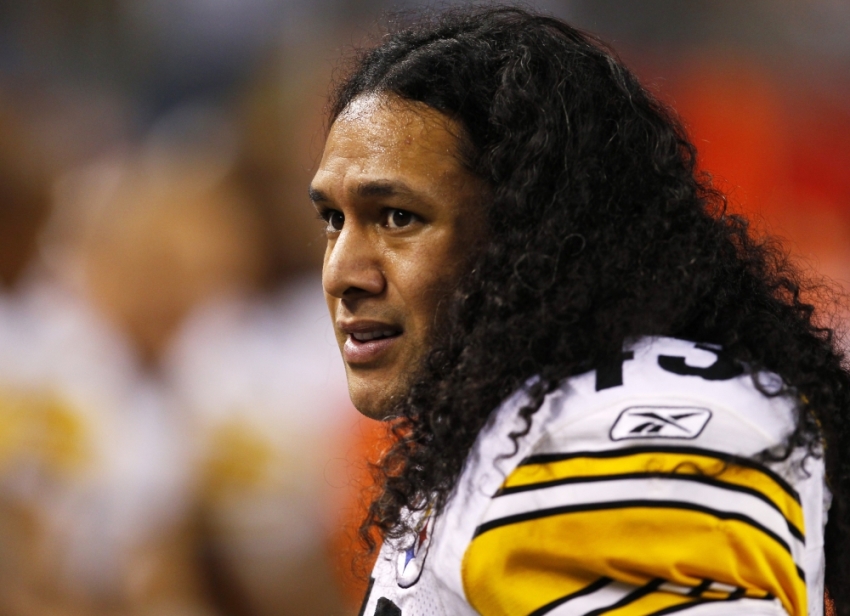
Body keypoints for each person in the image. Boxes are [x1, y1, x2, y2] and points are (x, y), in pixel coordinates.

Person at [309, 7, 849, 616]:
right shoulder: (511, 416)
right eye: (334, 219)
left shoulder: (612, 428)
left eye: (398, 218)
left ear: (527, 233)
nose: (341, 273)